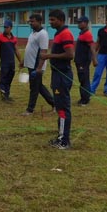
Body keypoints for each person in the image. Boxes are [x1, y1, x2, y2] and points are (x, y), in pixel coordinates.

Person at [40, 10, 75, 149]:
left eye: (53, 20)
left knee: (63, 108)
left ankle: (64, 141)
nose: (51, 22)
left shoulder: (65, 34)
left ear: (61, 20)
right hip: (57, 75)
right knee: (60, 107)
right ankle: (61, 136)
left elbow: (70, 54)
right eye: (50, 19)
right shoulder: (58, 33)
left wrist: (49, 56)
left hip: (63, 75)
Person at [19, 14, 55, 115]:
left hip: (37, 65)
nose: (31, 23)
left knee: (34, 88)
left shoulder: (43, 34)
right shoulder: (33, 33)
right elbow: (29, 48)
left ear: (39, 22)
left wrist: (39, 67)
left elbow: (44, 51)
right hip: (30, 64)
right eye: (30, 21)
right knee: (38, 86)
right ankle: (55, 104)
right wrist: (23, 61)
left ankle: (30, 109)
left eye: (33, 21)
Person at [0, 19, 22, 102]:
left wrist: (20, 61)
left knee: (10, 78)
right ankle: (3, 94)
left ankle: (7, 94)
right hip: (4, 62)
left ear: (11, 28)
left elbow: (16, 50)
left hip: (12, 63)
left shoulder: (14, 39)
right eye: (4, 27)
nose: (5, 28)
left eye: (7, 27)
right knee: (3, 78)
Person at [74, 16, 97, 106]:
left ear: (86, 23)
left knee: (84, 79)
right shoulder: (81, 33)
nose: (78, 24)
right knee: (82, 79)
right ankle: (83, 97)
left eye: (80, 22)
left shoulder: (87, 34)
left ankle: (85, 99)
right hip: (79, 60)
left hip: (83, 61)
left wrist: (94, 59)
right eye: (78, 22)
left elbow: (92, 47)